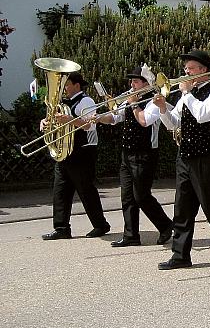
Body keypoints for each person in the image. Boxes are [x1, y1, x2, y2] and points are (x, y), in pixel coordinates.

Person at [154, 49, 210, 269]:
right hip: (186, 155)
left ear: (203, 70)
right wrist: (163, 108)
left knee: (209, 205)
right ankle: (180, 255)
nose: (186, 72)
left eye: (190, 69)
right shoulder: (187, 95)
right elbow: (174, 123)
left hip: (208, 155)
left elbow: (203, 115)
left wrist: (187, 94)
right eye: (186, 69)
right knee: (182, 206)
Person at [95, 64, 173, 247]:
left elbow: (144, 121)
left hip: (145, 154)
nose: (132, 84)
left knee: (141, 196)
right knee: (127, 196)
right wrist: (98, 117)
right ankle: (131, 235)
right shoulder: (130, 99)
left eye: (136, 81)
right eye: (132, 81)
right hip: (127, 153)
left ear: (146, 83)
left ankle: (165, 225)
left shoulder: (155, 100)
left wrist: (132, 103)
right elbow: (115, 118)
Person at [41, 72, 112, 240]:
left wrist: (69, 119)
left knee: (86, 190)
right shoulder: (62, 103)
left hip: (82, 151)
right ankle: (61, 228)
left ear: (77, 85)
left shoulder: (86, 101)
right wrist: (45, 122)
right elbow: (53, 121)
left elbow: (90, 126)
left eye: (67, 84)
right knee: (60, 191)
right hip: (64, 152)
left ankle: (101, 225)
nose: (63, 88)